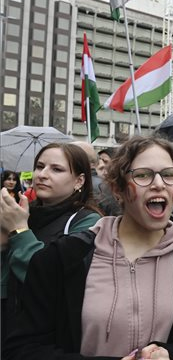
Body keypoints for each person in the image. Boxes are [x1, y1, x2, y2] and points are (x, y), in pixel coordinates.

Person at [2, 135, 173, 360]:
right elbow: (24, 353)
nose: (159, 184)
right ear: (118, 189)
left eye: (168, 174)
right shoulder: (65, 256)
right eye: (143, 175)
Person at [1, 143, 102, 342]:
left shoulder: (88, 222)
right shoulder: (23, 212)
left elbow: (50, 277)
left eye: (56, 169)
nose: (42, 175)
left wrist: (20, 230)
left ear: (79, 180)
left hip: (50, 338)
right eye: (39, 166)